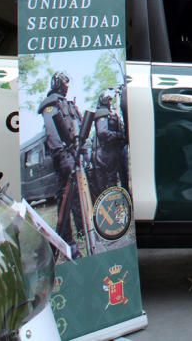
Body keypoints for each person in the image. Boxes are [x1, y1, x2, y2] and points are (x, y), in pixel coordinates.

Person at [38, 71, 84, 250]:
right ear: (57, 82)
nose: (67, 84)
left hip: (75, 154)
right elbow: (52, 131)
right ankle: (67, 240)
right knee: (65, 197)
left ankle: (82, 232)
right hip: (64, 156)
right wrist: (63, 154)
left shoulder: (68, 103)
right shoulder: (50, 104)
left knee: (78, 196)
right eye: (64, 81)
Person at [90, 88, 128, 197]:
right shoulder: (102, 113)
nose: (111, 102)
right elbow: (102, 132)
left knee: (115, 181)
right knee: (109, 183)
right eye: (109, 100)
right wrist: (119, 135)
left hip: (112, 151)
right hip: (105, 154)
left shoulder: (109, 112)